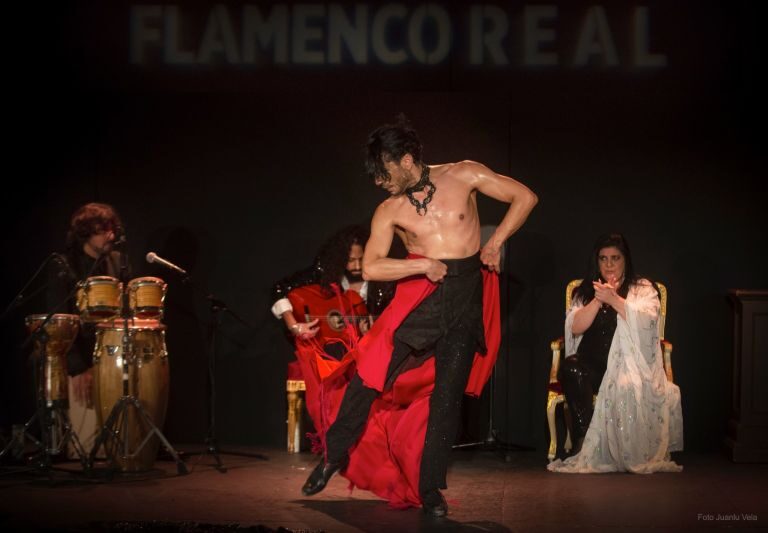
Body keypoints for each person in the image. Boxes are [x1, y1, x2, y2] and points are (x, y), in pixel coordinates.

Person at [301, 116, 538, 516]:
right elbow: (373, 266)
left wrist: (495, 242)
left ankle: (431, 491)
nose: (378, 181)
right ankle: (333, 457)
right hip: (421, 300)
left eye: (383, 171)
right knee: (368, 380)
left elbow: (525, 197)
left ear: (407, 160)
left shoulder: (464, 174)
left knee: (446, 401)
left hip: (464, 297)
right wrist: (420, 266)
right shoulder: (389, 210)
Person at [548, 233, 683, 474]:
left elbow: (647, 322)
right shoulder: (586, 290)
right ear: (596, 261)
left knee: (627, 383)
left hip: (628, 364)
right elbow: (575, 327)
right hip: (594, 362)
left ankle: (621, 449)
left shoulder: (642, 289)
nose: (609, 264)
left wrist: (615, 299)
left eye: (615, 258)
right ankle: (583, 442)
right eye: (603, 259)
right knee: (571, 367)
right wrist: (599, 301)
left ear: (625, 260)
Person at [45, 202, 127, 452]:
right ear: (85, 232)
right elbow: (59, 320)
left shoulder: (118, 262)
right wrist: (79, 367)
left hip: (111, 352)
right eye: (103, 230)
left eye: (113, 229)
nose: (111, 235)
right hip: (76, 351)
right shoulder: (64, 265)